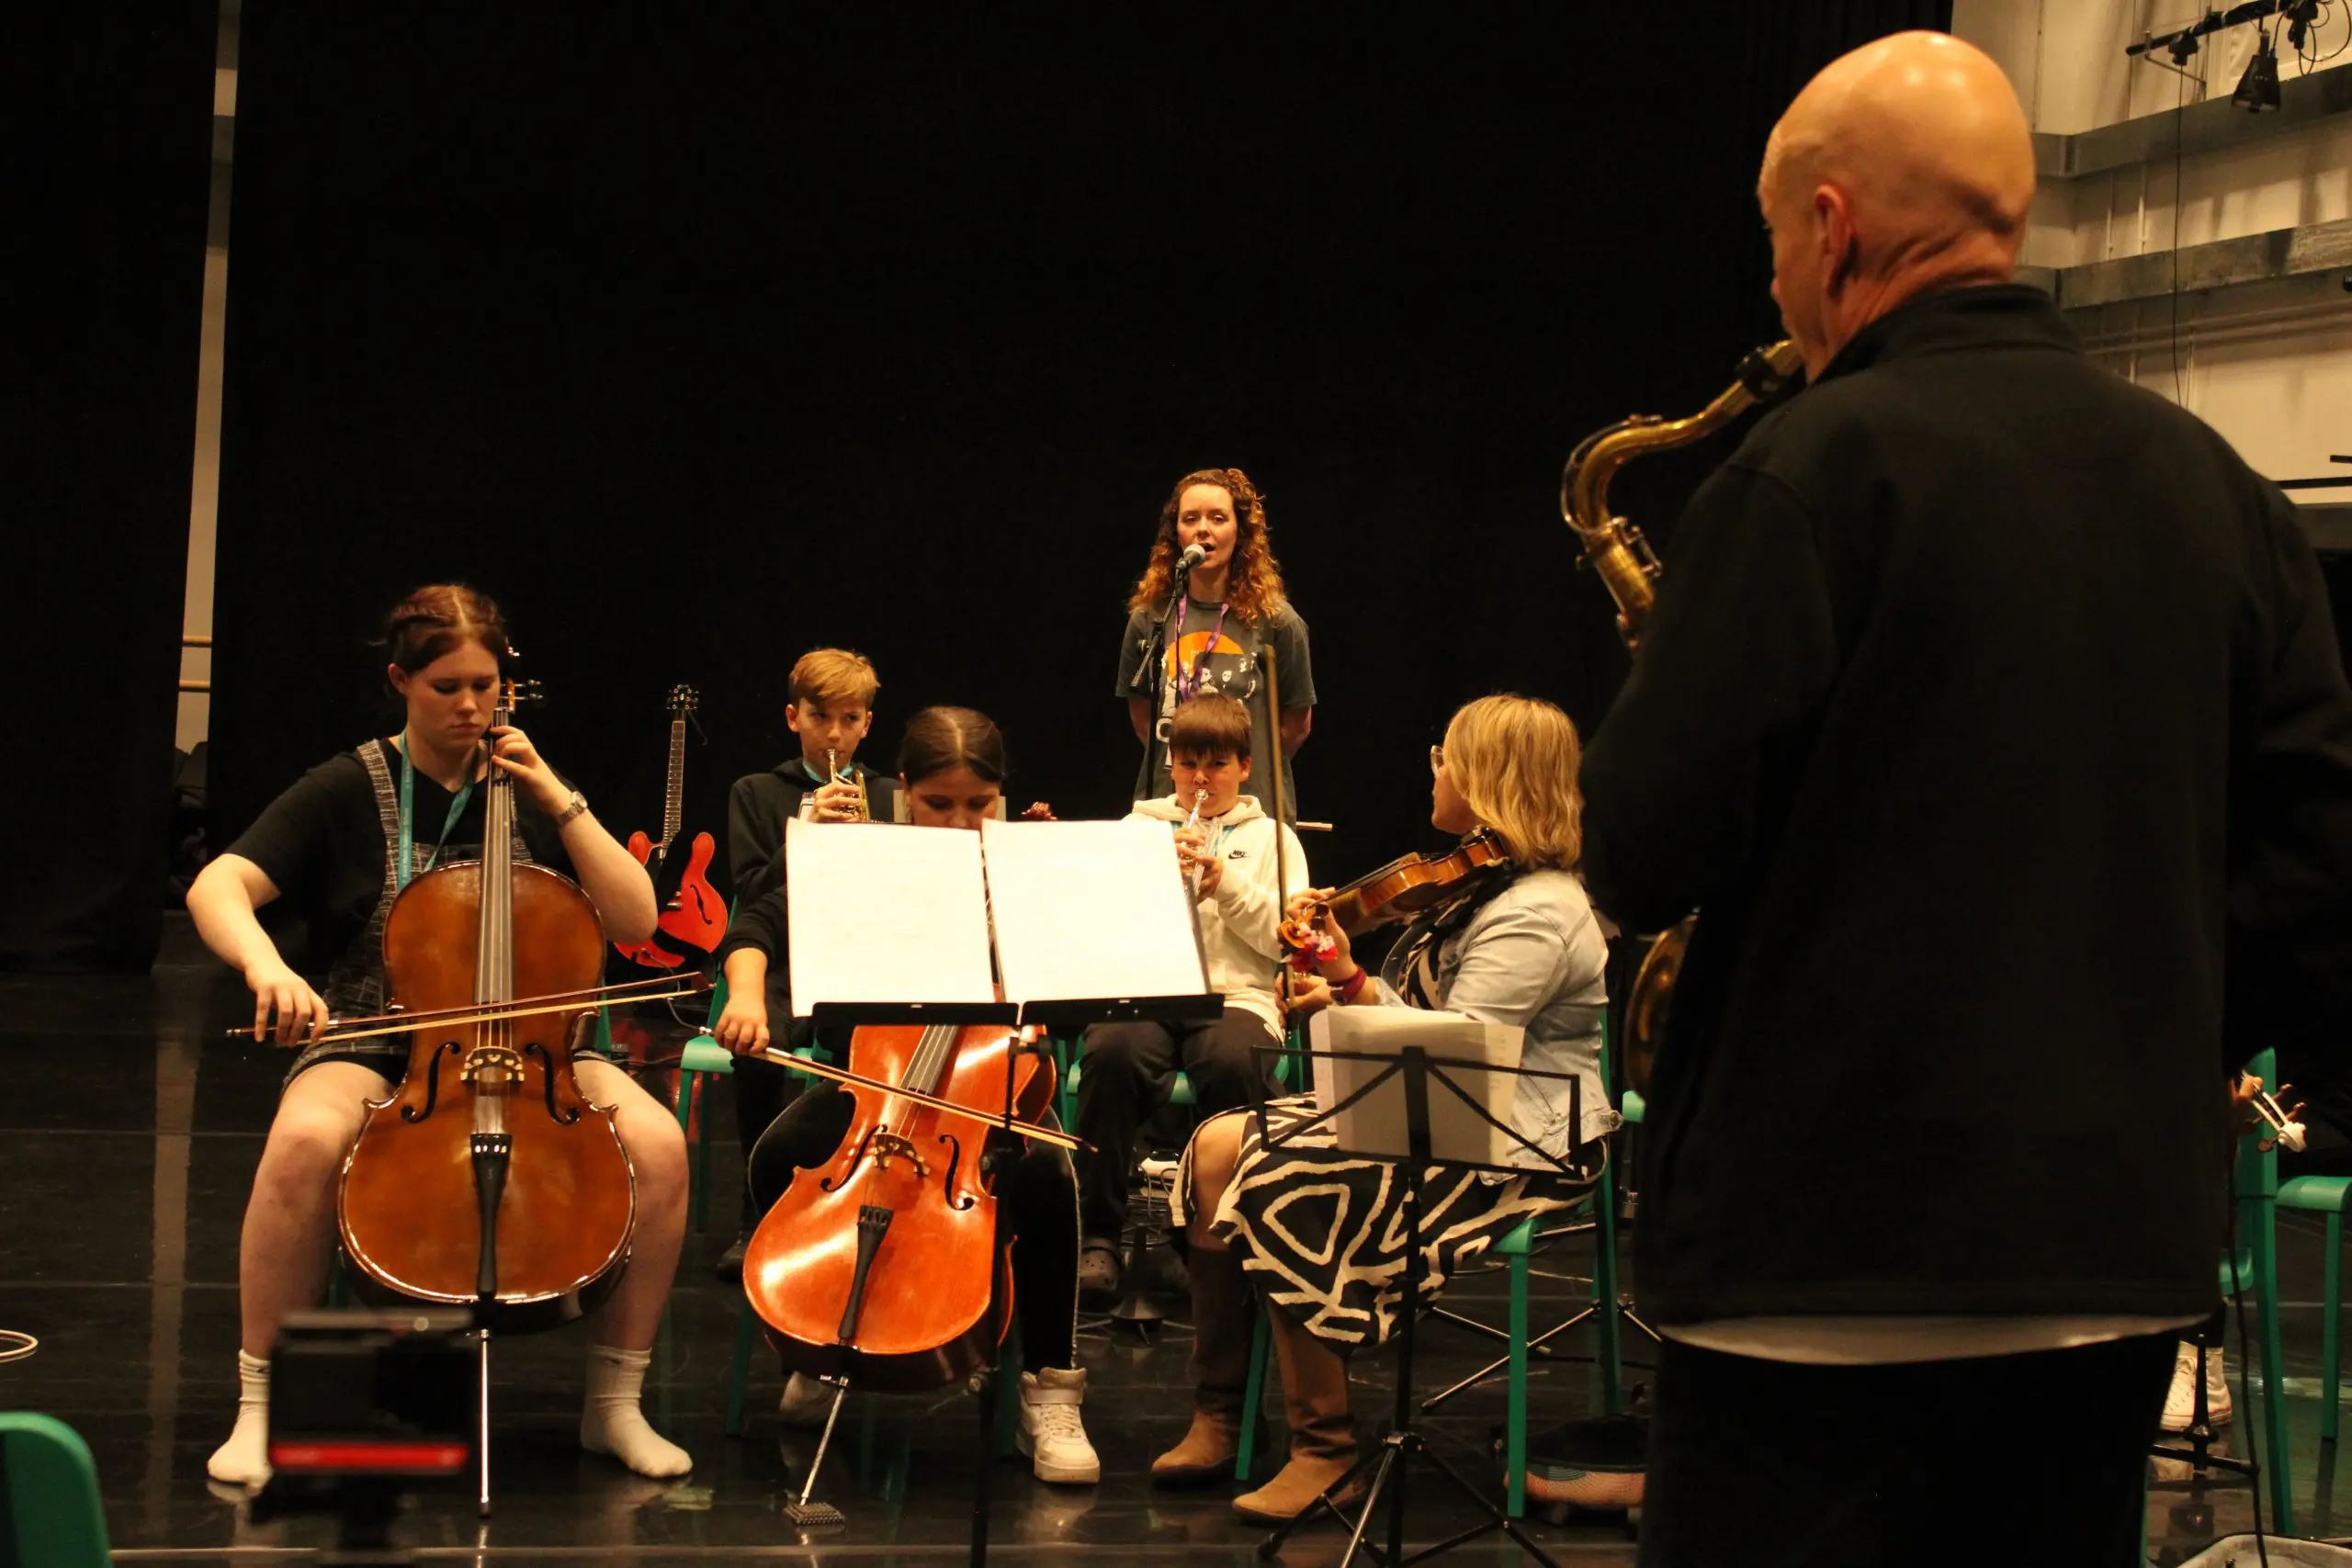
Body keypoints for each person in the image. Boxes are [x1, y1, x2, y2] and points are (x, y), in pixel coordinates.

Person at [1573, 32, 2352, 1564]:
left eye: (1775, 245)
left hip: (1818, 1257)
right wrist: (2153, 1032)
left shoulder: (1803, 472)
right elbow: (2322, 866)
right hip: (2111, 1257)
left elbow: (1644, 849)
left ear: (1832, 228)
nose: (1777, 290)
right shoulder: (2225, 492)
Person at [184, 584, 694, 1485]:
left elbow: (635, 919)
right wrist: (268, 968)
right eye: (446, 687)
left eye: (484, 686)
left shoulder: (533, 786)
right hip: (379, 1035)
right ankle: (262, 1402)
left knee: (658, 1145)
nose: (470, 706)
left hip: (542, 1045)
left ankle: (614, 1404)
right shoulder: (348, 784)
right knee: (302, 1144)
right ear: (400, 682)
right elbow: (216, 885)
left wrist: (557, 796)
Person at [1157, 694, 1611, 1524]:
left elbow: (1460, 1055)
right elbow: (1430, 1031)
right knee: (1218, 1145)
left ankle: (1325, 1449)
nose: (1434, 770)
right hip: (1443, 1105)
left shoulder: (1538, 910)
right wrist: (1343, 981)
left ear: (1489, 780)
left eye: (1447, 758)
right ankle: (1218, 1415)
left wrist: (1351, 989)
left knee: (1284, 1179)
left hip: (1519, 1140)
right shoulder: (1482, 886)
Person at [711, 705, 1099, 1486]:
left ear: (1001, 795)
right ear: (903, 792)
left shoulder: (1021, 876)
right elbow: (757, 922)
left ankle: (1051, 1385)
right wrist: (747, 990)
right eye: (938, 803)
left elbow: (1070, 1011)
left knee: (1048, 1181)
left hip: (989, 1084)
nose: (959, 823)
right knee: (780, 1153)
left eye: (978, 804)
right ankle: (817, 1339)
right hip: (878, 1084)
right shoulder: (867, 861)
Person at [1075, 693, 1307, 1299]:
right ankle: (1097, 1233)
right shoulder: (1136, 830)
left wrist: (1226, 883)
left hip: (1238, 998)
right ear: (1170, 765)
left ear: (1245, 767)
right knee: (1112, 1053)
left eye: (1217, 764)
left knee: (1232, 1064)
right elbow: (1102, 926)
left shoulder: (1275, 839)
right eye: (1188, 764)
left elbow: (1287, 941)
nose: (1201, 779)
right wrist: (1157, 884)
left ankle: (1208, 1238)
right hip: (1148, 991)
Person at [713, 648, 902, 1275]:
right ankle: (758, 1207)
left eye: (850, 719)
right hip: (783, 960)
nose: (835, 735)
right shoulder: (756, 792)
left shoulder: (892, 794)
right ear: (794, 718)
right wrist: (805, 829)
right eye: (821, 717)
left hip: (864, 963)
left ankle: (849, 1199)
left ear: (868, 723)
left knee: (869, 1050)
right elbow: (750, 894)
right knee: (756, 1042)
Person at [1117, 467, 1315, 816]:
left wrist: (1235, 769)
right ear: (1176, 534)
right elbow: (1142, 717)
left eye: (1218, 518)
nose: (1203, 529)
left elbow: (1296, 726)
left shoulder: (1277, 621)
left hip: (1250, 810)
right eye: (1190, 518)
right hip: (1169, 807)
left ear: (1240, 533)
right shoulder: (1150, 619)